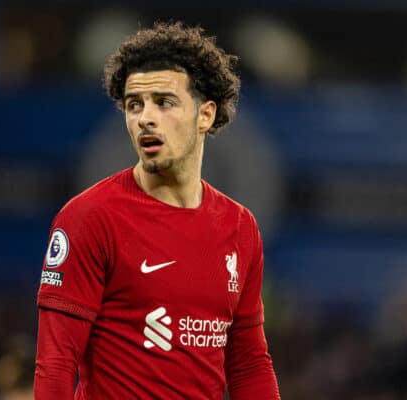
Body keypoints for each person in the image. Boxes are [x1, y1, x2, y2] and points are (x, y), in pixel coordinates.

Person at [34, 21, 280, 399]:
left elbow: (248, 363)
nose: (145, 118)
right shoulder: (89, 218)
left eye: (164, 102)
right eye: (135, 104)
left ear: (205, 115)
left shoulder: (240, 226)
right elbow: (56, 363)